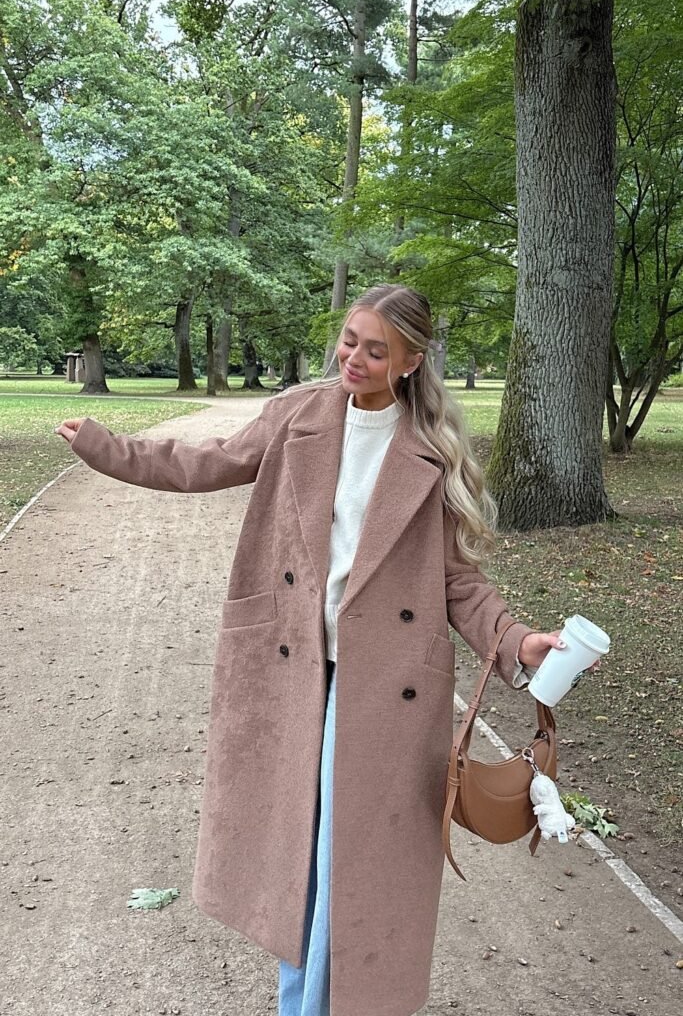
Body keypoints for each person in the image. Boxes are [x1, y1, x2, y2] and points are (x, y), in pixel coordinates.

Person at [55, 284, 593, 1016]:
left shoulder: (429, 449)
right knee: (296, 863)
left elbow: (456, 581)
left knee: (348, 861)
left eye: (375, 349)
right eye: (348, 340)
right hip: (290, 668)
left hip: (386, 686)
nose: (354, 358)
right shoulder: (298, 415)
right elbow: (204, 461)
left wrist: (516, 639)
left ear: (409, 361)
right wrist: (102, 445)